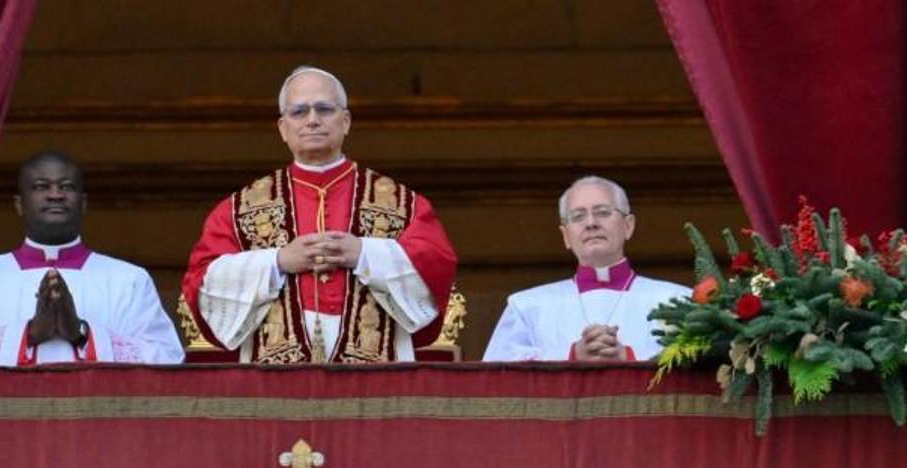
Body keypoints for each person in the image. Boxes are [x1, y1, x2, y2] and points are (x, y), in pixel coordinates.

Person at [183, 66, 457, 363]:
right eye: (299, 112)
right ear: (282, 128)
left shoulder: (402, 203)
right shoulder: (239, 209)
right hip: (276, 379)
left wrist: (364, 254)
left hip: (375, 375)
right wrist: (277, 261)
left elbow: (437, 264)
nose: (312, 120)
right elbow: (201, 281)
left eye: (324, 109)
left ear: (346, 121)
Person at [0, 151, 183, 366]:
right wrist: (28, 334)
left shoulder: (130, 280)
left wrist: (81, 333)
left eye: (66, 186)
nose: (56, 195)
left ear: (83, 203)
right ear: (19, 204)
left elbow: (166, 356)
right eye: (41, 186)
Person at [483, 176, 689, 362]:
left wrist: (628, 357)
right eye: (578, 216)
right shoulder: (526, 307)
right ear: (565, 235)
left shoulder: (678, 301)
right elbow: (496, 378)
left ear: (628, 225)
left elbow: (701, 371)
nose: (591, 223)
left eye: (603, 213)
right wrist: (572, 356)